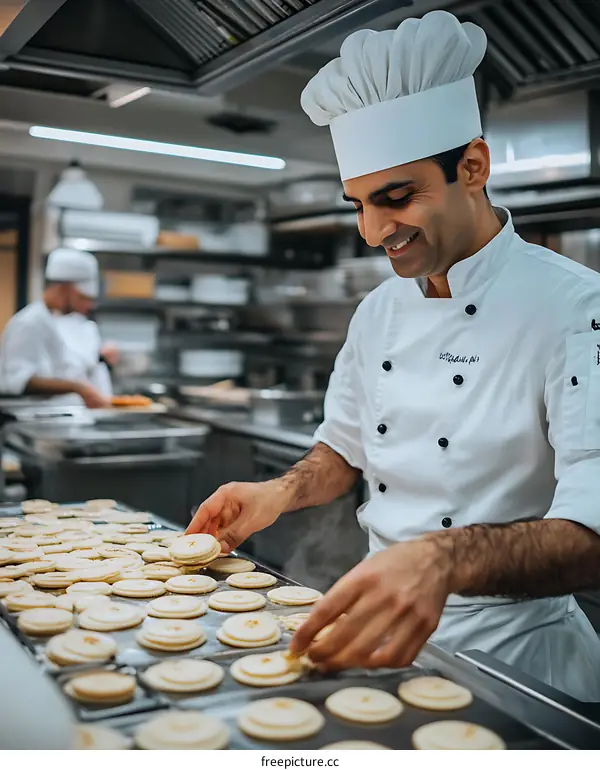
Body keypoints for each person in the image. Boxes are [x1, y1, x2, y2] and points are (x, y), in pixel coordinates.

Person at [188, 11, 600, 701]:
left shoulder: (574, 308)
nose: (375, 230)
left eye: (396, 198)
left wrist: (441, 560)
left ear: (473, 166)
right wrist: (276, 494)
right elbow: (343, 450)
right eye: (358, 203)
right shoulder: (377, 312)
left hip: (522, 660)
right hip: (388, 644)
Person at [0, 247, 109, 408]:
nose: (88, 305)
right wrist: (78, 388)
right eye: (82, 297)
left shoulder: (52, 321)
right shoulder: (28, 323)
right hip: (32, 424)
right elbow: (19, 381)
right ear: (62, 290)